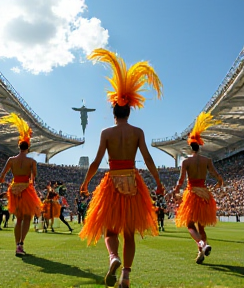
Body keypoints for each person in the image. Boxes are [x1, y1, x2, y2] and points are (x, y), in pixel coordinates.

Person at [79, 48, 164, 288]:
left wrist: (86, 183)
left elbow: (96, 161)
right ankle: (125, 276)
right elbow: (147, 159)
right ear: (129, 109)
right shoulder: (137, 132)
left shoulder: (107, 133)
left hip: (112, 181)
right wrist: (157, 182)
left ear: (114, 111)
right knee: (129, 234)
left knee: (110, 231)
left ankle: (113, 257)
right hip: (133, 182)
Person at [173, 111, 223, 264]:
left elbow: (181, 180)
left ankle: (202, 244)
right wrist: (220, 180)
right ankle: (201, 250)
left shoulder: (186, 162)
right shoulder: (207, 160)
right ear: (200, 145)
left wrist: (175, 190)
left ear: (190, 147)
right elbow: (214, 173)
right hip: (204, 194)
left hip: (191, 193)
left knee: (189, 225)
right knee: (201, 227)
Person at [0, 113, 42, 256]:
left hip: (14, 188)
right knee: (27, 218)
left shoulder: (11, 159)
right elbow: (33, 177)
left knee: (18, 219)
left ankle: (17, 244)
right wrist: (29, 183)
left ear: (19, 146)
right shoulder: (32, 161)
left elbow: (1, 177)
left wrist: (10, 184)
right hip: (26, 189)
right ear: (28, 147)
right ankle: (21, 244)